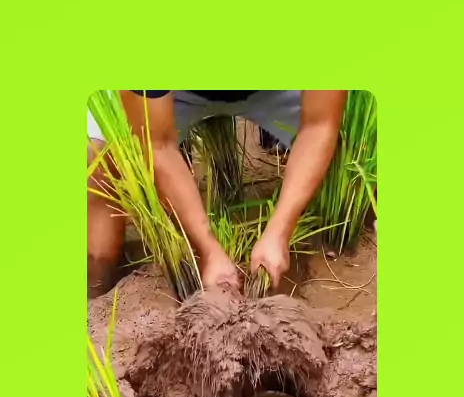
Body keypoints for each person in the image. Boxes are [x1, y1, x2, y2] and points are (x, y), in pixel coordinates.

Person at [88, 90, 347, 296]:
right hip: (178, 92)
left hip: (273, 87)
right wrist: (209, 250)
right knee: (94, 158)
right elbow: (157, 144)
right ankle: (99, 297)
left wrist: (280, 231)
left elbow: (320, 124)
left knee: (351, 142)